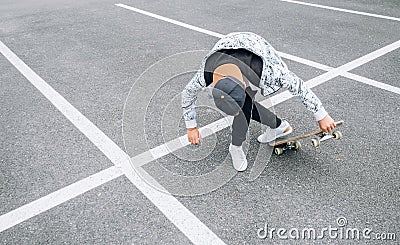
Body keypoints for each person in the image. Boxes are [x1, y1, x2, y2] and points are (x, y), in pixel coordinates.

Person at [181, 32, 336, 171]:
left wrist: (321, 115)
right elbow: (187, 95)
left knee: (245, 106)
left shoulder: (267, 70)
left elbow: (298, 85)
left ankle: (235, 147)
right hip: (226, 49)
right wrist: (191, 128)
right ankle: (279, 126)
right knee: (244, 106)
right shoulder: (204, 74)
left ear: (243, 83)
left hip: (254, 46)